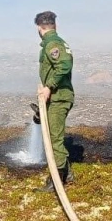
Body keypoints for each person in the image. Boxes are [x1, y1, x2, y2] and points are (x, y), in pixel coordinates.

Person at [34, 11, 74, 193]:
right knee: (53, 136)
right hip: (55, 98)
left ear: (38, 28)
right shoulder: (53, 42)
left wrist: (49, 86)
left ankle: (56, 181)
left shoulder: (53, 44)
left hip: (58, 99)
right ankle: (68, 174)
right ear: (54, 26)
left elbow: (64, 65)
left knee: (53, 139)